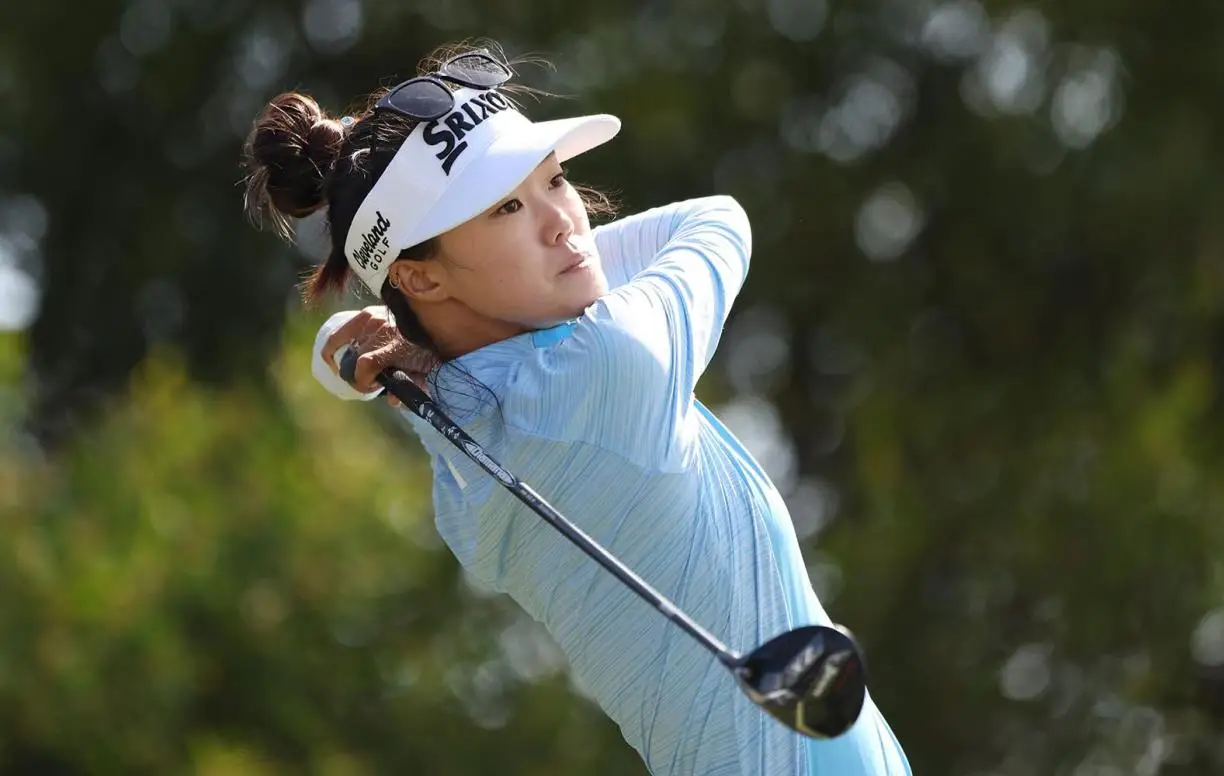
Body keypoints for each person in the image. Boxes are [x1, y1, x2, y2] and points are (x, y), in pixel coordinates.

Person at [242, 42, 912, 776]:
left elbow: (360, 341)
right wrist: (397, 336)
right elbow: (716, 222)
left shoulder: (457, 431)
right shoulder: (614, 364)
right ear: (421, 279)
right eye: (506, 207)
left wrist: (399, 333)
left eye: (555, 179)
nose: (564, 222)